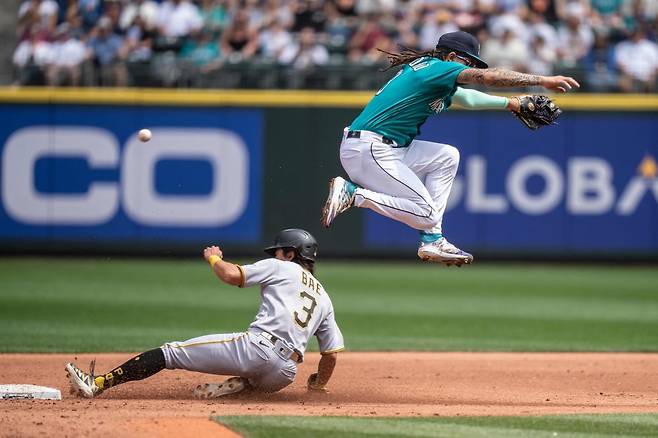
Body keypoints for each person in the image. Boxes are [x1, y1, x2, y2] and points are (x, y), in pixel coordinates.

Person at [320, 30, 579, 266]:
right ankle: (354, 194)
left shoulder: (432, 74)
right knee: (424, 212)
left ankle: (433, 239)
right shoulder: (437, 68)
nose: (471, 69)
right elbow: (488, 78)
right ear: (452, 56)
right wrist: (543, 80)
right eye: (469, 63)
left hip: (382, 147)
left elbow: (467, 97)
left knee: (446, 156)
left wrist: (512, 104)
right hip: (371, 148)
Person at [65, 229, 344, 398]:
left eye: (279, 251)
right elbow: (330, 354)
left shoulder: (282, 266)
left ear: (291, 254)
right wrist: (318, 385)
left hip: (256, 349)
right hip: (284, 373)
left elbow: (232, 275)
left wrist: (214, 257)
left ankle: (98, 383)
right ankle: (243, 386)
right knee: (258, 384)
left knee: (170, 353)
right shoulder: (325, 297)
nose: (275, 254)